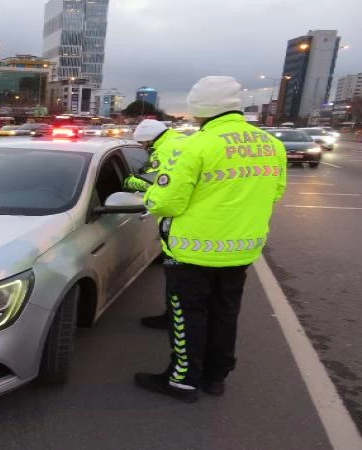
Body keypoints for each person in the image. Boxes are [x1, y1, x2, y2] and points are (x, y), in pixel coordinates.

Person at [134, 76, 287, 403]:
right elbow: (275, 193)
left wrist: (148, 197)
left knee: (188, 317)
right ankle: (216, 377)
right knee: (225, 313)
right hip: (241, 251)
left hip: (191, 252)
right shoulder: (271, 145)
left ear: (199, 107)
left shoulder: (198, 145)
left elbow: (166, 202)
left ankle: (182, 382)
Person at [123, 119, 187, 330]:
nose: (143, 148)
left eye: (143, 144)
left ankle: (173, 319)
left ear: (150, 139)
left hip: (175, 219)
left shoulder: (164, 150)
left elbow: (154, 182)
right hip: (187, 216)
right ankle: (177, 316)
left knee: (177, 279)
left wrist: (129, 181)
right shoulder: (179, 141)